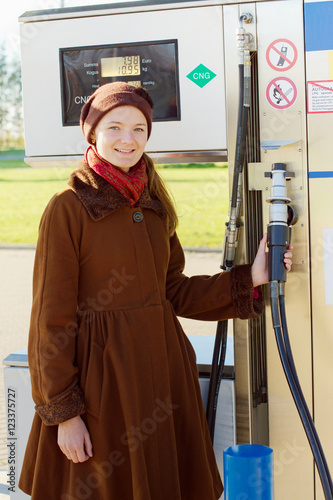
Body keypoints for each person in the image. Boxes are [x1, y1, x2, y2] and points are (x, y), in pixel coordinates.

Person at [19, 82, 292, 500]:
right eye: (114, 127)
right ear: (92, 132)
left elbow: (175, 291)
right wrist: (64, 414)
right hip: (103, 386)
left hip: (163, 375)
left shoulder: (154, 203)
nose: (127, 140)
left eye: (139, 129)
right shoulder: (69, 206)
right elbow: (49, 321)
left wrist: (249, 277)